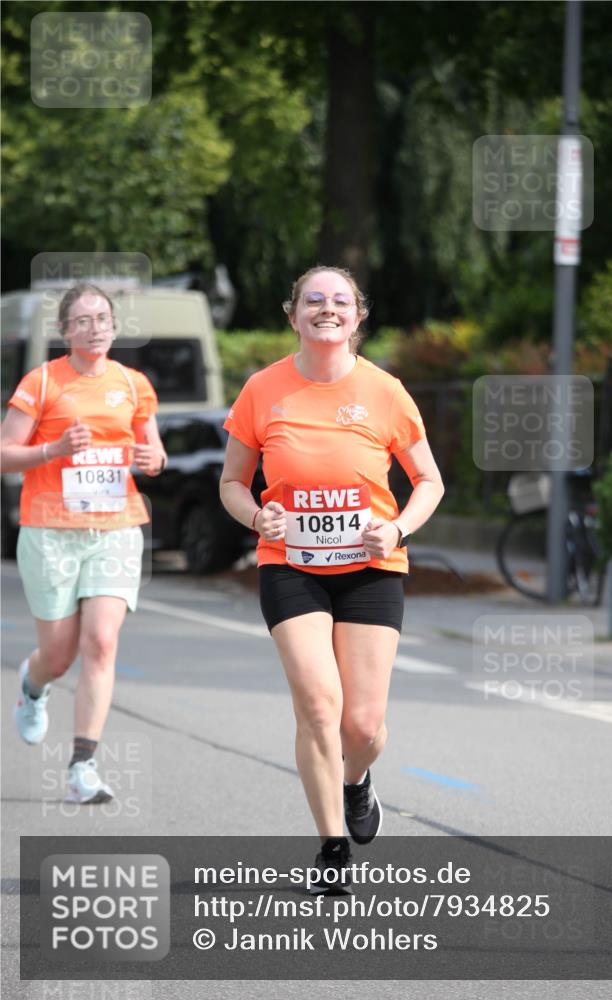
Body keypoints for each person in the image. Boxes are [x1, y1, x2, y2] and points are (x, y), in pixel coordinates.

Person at [220, 266, 444, 891]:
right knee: (319, 705)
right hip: (290, 564)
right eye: (313, 300)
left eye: (339, 300)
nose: (327, 309)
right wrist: (255, 513)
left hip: (371, 567)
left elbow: (430, 481)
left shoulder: (386, 391)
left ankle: (356, 781)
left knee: (362, 727)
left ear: (358, 316)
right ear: (292, 314)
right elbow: (232, 482)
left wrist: (397, 528)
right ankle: (332, 847)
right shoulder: (263, 390)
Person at [0, 283, 167, 804]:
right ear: (65, 331)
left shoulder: (134, 384)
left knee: (101, 642)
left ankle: (83, 766)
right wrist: (52, 448)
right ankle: (33, 684)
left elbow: (154, 451)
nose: (95, 327)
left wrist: (152, 461)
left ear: (115, 325)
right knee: (60, 654)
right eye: (83, 320)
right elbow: (5, 453)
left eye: (103, 318)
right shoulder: (43, 382)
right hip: (50, 531)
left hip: (115, 527)